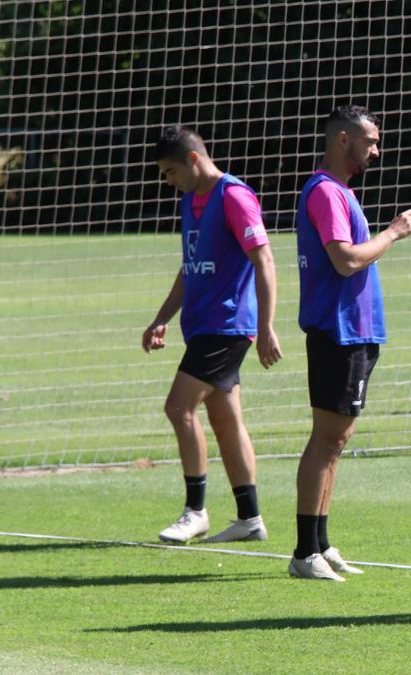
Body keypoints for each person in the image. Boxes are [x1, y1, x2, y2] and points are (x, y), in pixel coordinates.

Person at [289, 105, 411, 581]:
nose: (376, 150)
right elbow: (345, 261)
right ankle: (305, 551)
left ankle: (320, 542)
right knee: (326, 439)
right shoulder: (326, 192)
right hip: (336, 332)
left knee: (336, 441)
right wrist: (393, 232)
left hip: (355, 332)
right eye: (370, 140)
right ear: (343, 140)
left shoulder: (340, 192)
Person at [144, 125, 282, 544]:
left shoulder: (235, 196)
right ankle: (249, 518)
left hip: (227, 326)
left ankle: (195, 511)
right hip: (203, 326)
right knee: (224, 418)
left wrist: (266, 327)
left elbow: (265, 260)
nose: (168, 182)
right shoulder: (191, 200)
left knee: (178, 408)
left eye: (169, 172)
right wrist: (162, 317)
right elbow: (190, 267)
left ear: (192, 159)